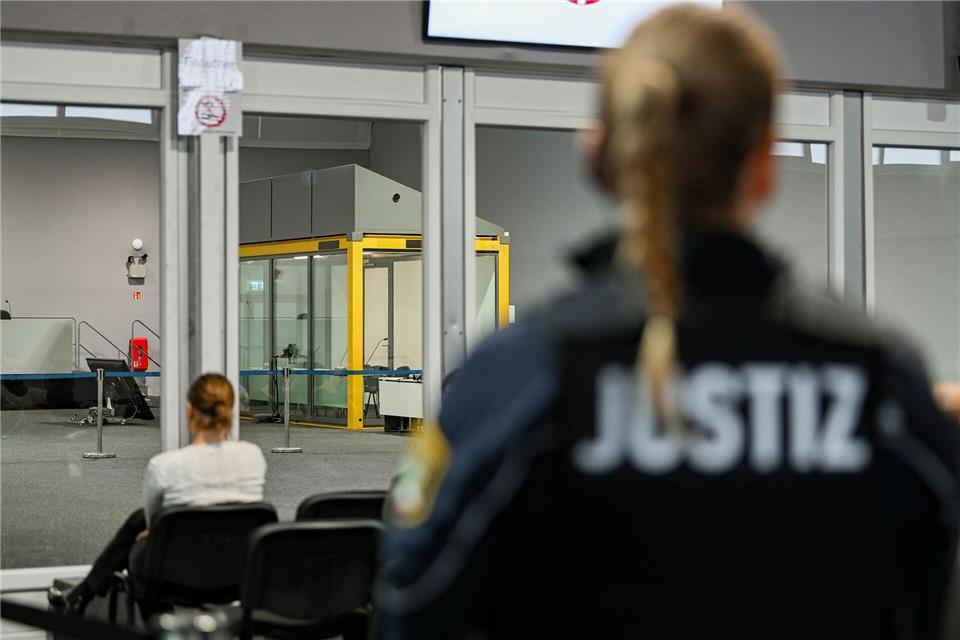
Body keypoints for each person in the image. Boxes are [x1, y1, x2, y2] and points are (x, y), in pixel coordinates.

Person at [375, 5, 960, 639]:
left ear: (598, 157)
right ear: (766, 162)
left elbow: (413, 603)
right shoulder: (879, 378)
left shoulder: (521, 376)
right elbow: (930, 593)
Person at [48, 373, 266, 617]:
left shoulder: (164, 466)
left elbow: (154, 524)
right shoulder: (254, 457)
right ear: (232, 411)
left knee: (142, 527)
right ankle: (81, 595)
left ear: (190, 409)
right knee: (143, 519)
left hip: (174, 574)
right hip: (237, 570)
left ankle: (144, 617)